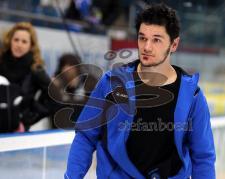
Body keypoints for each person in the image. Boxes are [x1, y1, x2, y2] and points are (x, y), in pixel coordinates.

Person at [65, 3, 216, 179]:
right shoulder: (111, 83)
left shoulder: (193, 96)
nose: (147, 47)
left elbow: (203, 157)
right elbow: (85, 136)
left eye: (156, 40)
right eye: (142, 38)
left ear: (174, 44)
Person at [0, 22, 55, 132]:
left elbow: (53, 96)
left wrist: (28, 118)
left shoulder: (35, 69)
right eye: (16, 40)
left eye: (24, 41)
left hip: (18, 130)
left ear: (31, 46)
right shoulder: (1, 62)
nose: (19, 44)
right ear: (10, 41)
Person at [51, 53, 98, 129]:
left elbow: (93, 105)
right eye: (63, 66)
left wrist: (75, 88)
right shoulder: (58, 83)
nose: (66, 69)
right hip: (61, 130)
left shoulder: (88, 80)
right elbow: (53, 107)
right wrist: (56, 89)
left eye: (70, 65)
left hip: (85, 128)